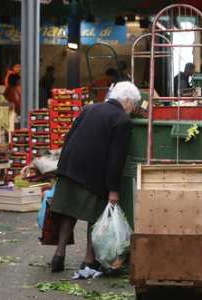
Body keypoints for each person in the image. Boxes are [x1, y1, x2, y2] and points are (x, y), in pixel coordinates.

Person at [49, 81, 141, 272]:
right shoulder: (122, 121)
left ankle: (59, 254)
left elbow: (69, 137)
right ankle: (89, 260)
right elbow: (117, 158)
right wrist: (113, 190)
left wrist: (61, 168)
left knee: (68, 212)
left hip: (69, 166)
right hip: (93, 173)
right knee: (95, 216)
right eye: (133, 104)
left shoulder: (90, 108)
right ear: (126, 100)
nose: (133, 110)